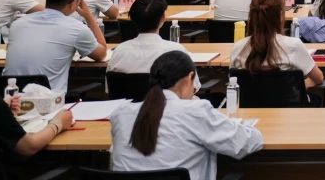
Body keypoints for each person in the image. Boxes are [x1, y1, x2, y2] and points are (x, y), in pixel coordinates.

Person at [109, 50, 262, 180]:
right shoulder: (195, 111)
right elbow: (246, 142)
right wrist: (242, 126)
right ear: (189, 78)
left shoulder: (121, 114)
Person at [5, 0, 108, 94]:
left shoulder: (17, 24)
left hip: (11, 98)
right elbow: (102, 54)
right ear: (75, 2)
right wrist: (88, 16)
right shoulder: (76, 28)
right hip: (49, 101)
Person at [229, 0, 324, 90]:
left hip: (248, 100)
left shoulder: (238, 48)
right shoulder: (294, 46)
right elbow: (319, 78)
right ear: (280, 15)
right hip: (288, 100)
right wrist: (295, 86)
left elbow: (233, 82)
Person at [107, 0, 201, 91]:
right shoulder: (177, 52)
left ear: (133, 19)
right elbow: (193, 88)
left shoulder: (118, 52)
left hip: (127, 101)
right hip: (167, 101)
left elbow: (109, 89)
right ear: (163, 17)